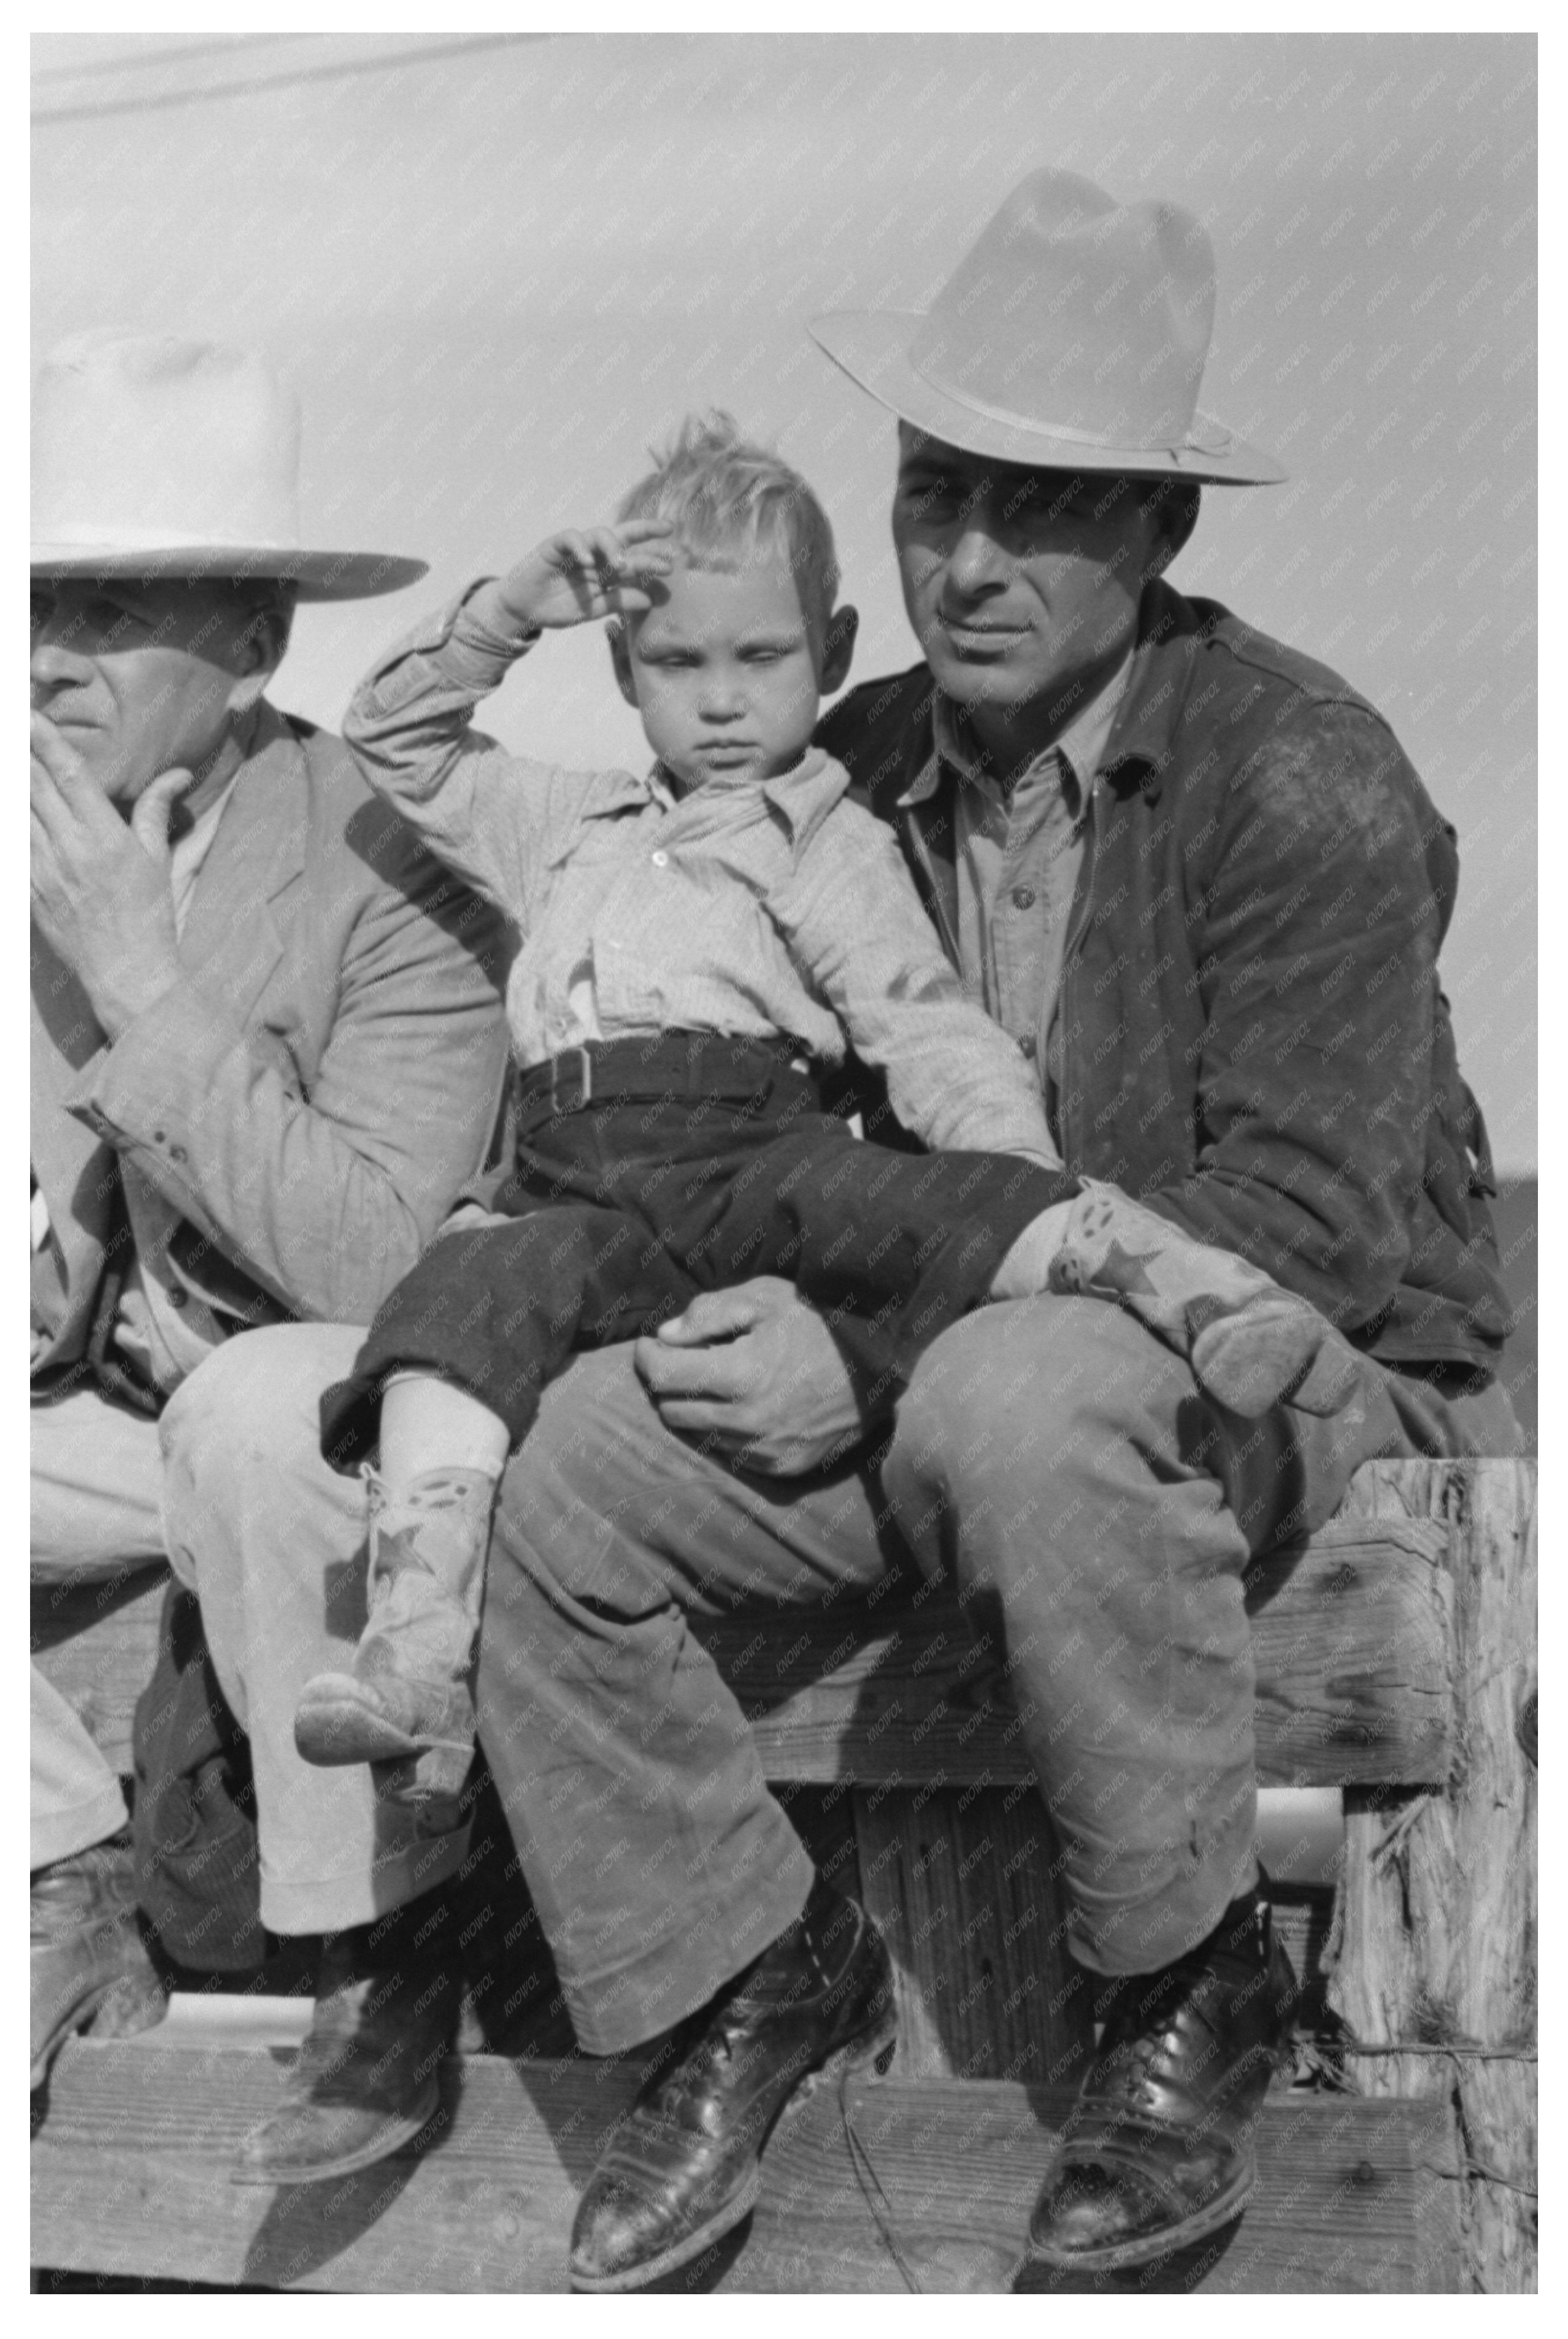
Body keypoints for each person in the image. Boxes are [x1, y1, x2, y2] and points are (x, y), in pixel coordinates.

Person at [159, 166, 1514, 2287]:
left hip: (1284, 1379)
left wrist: (858, 1344)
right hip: (950, 1349)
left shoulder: (1294, 774)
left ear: (1158, 532)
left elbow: (1312, 1226)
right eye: (932, 488)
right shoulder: (833, 747)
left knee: (1018, 1389)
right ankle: (738, 1965)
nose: (968, 555)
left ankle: (1180, 1988)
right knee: (573, 1455)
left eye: (1039, 507)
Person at [291, 415, 1336, 1805]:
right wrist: (512, 611)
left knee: (924, 1207)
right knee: (448, 1323)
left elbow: (922, 1022)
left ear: (832, 658)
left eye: (762, 660)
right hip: (569, 1181)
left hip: (744, 1149)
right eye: (676, 662)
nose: (721, 701)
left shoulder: (825, 838)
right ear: (621, 666)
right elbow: (396, 738)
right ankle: (416, 1653)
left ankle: (1189, 1290)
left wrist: (1009, 1169)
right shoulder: (563, 822)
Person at [29, 331, 509, 2095]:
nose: (55, 653)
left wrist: (140, 978)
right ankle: (60, 1861)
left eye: (117, 608)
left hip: (345, 1417)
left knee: (251, 1422)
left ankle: (376, 1968)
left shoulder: (397, 850)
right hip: (103, 1406)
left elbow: (379, 1262)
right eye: (37, 601)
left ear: (254, 643)